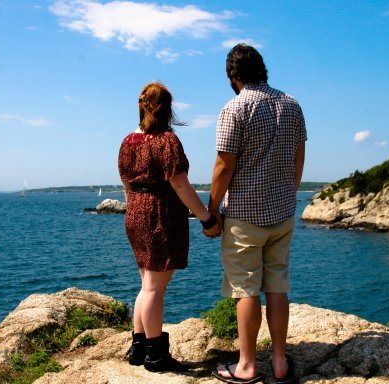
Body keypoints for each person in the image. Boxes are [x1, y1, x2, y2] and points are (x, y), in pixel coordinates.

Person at [208, 44, 306, 384]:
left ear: (233, 76)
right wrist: (289, 195)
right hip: (282, 212)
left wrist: (211, 210)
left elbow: (224, 165)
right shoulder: (292, 105)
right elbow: (298, 156)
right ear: (263, 69)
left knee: (245, 289)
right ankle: (279, 362)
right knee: (277, 284)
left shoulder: (234, 108)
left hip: (244, 215)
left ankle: (247, 365)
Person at [118, 82, 220, 372]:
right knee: (153, 289)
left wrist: (135, 209)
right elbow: (179, 183)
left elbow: (126, 183)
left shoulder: (127, 141)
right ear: (167, 108)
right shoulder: (167, 141)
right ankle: (156, 356)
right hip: (159, 215)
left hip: (135, 213)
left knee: (146, 285)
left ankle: (139, 349)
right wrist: (206, 217)